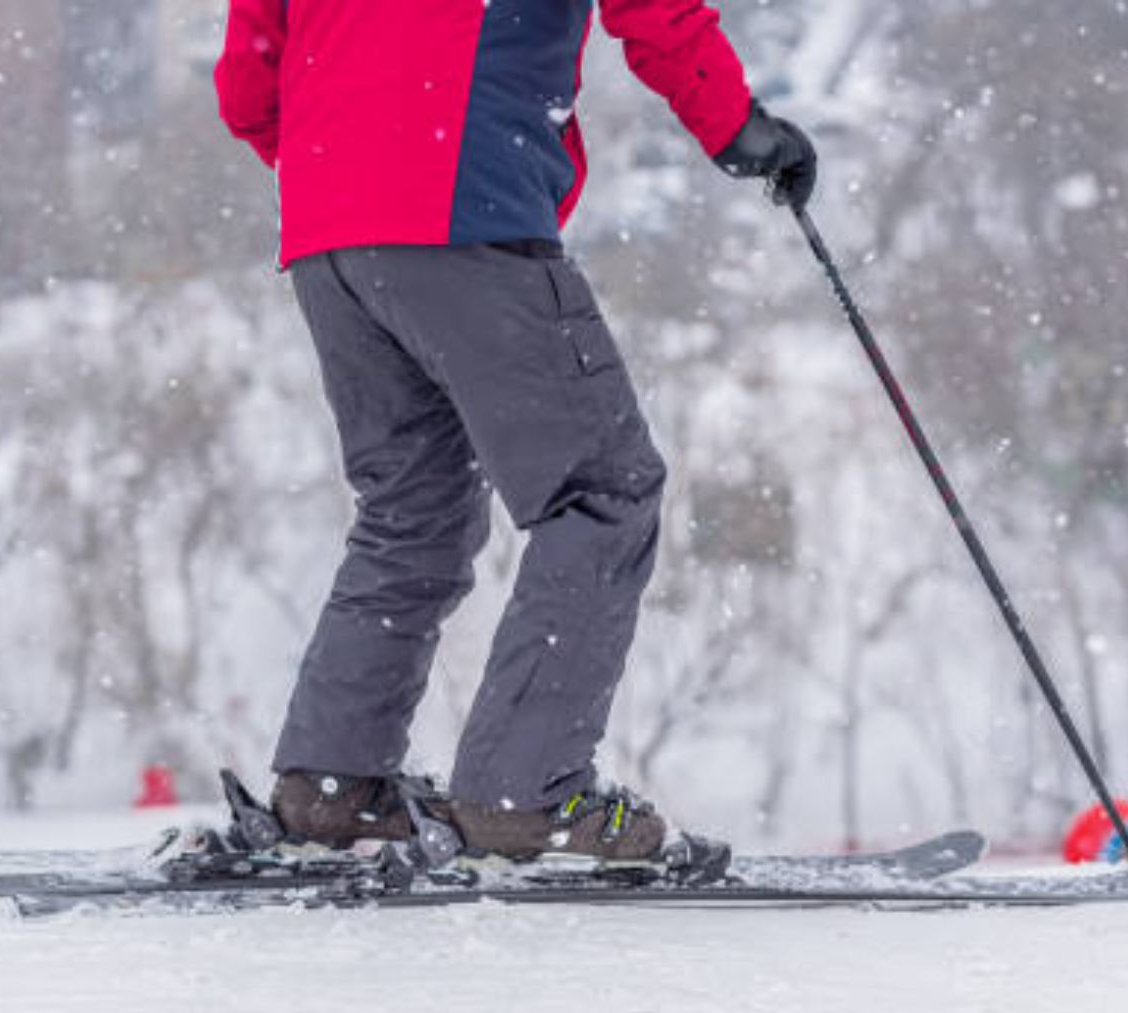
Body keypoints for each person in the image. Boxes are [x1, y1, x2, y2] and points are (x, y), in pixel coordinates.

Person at [214, 0, 815, 862]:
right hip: (463, 199)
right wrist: (740, 130)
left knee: (411, 508)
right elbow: (659, 17)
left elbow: (246, 81)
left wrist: (351, 163)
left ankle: (330, 786)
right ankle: (525, 793)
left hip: (328, 224)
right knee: (603, 491)